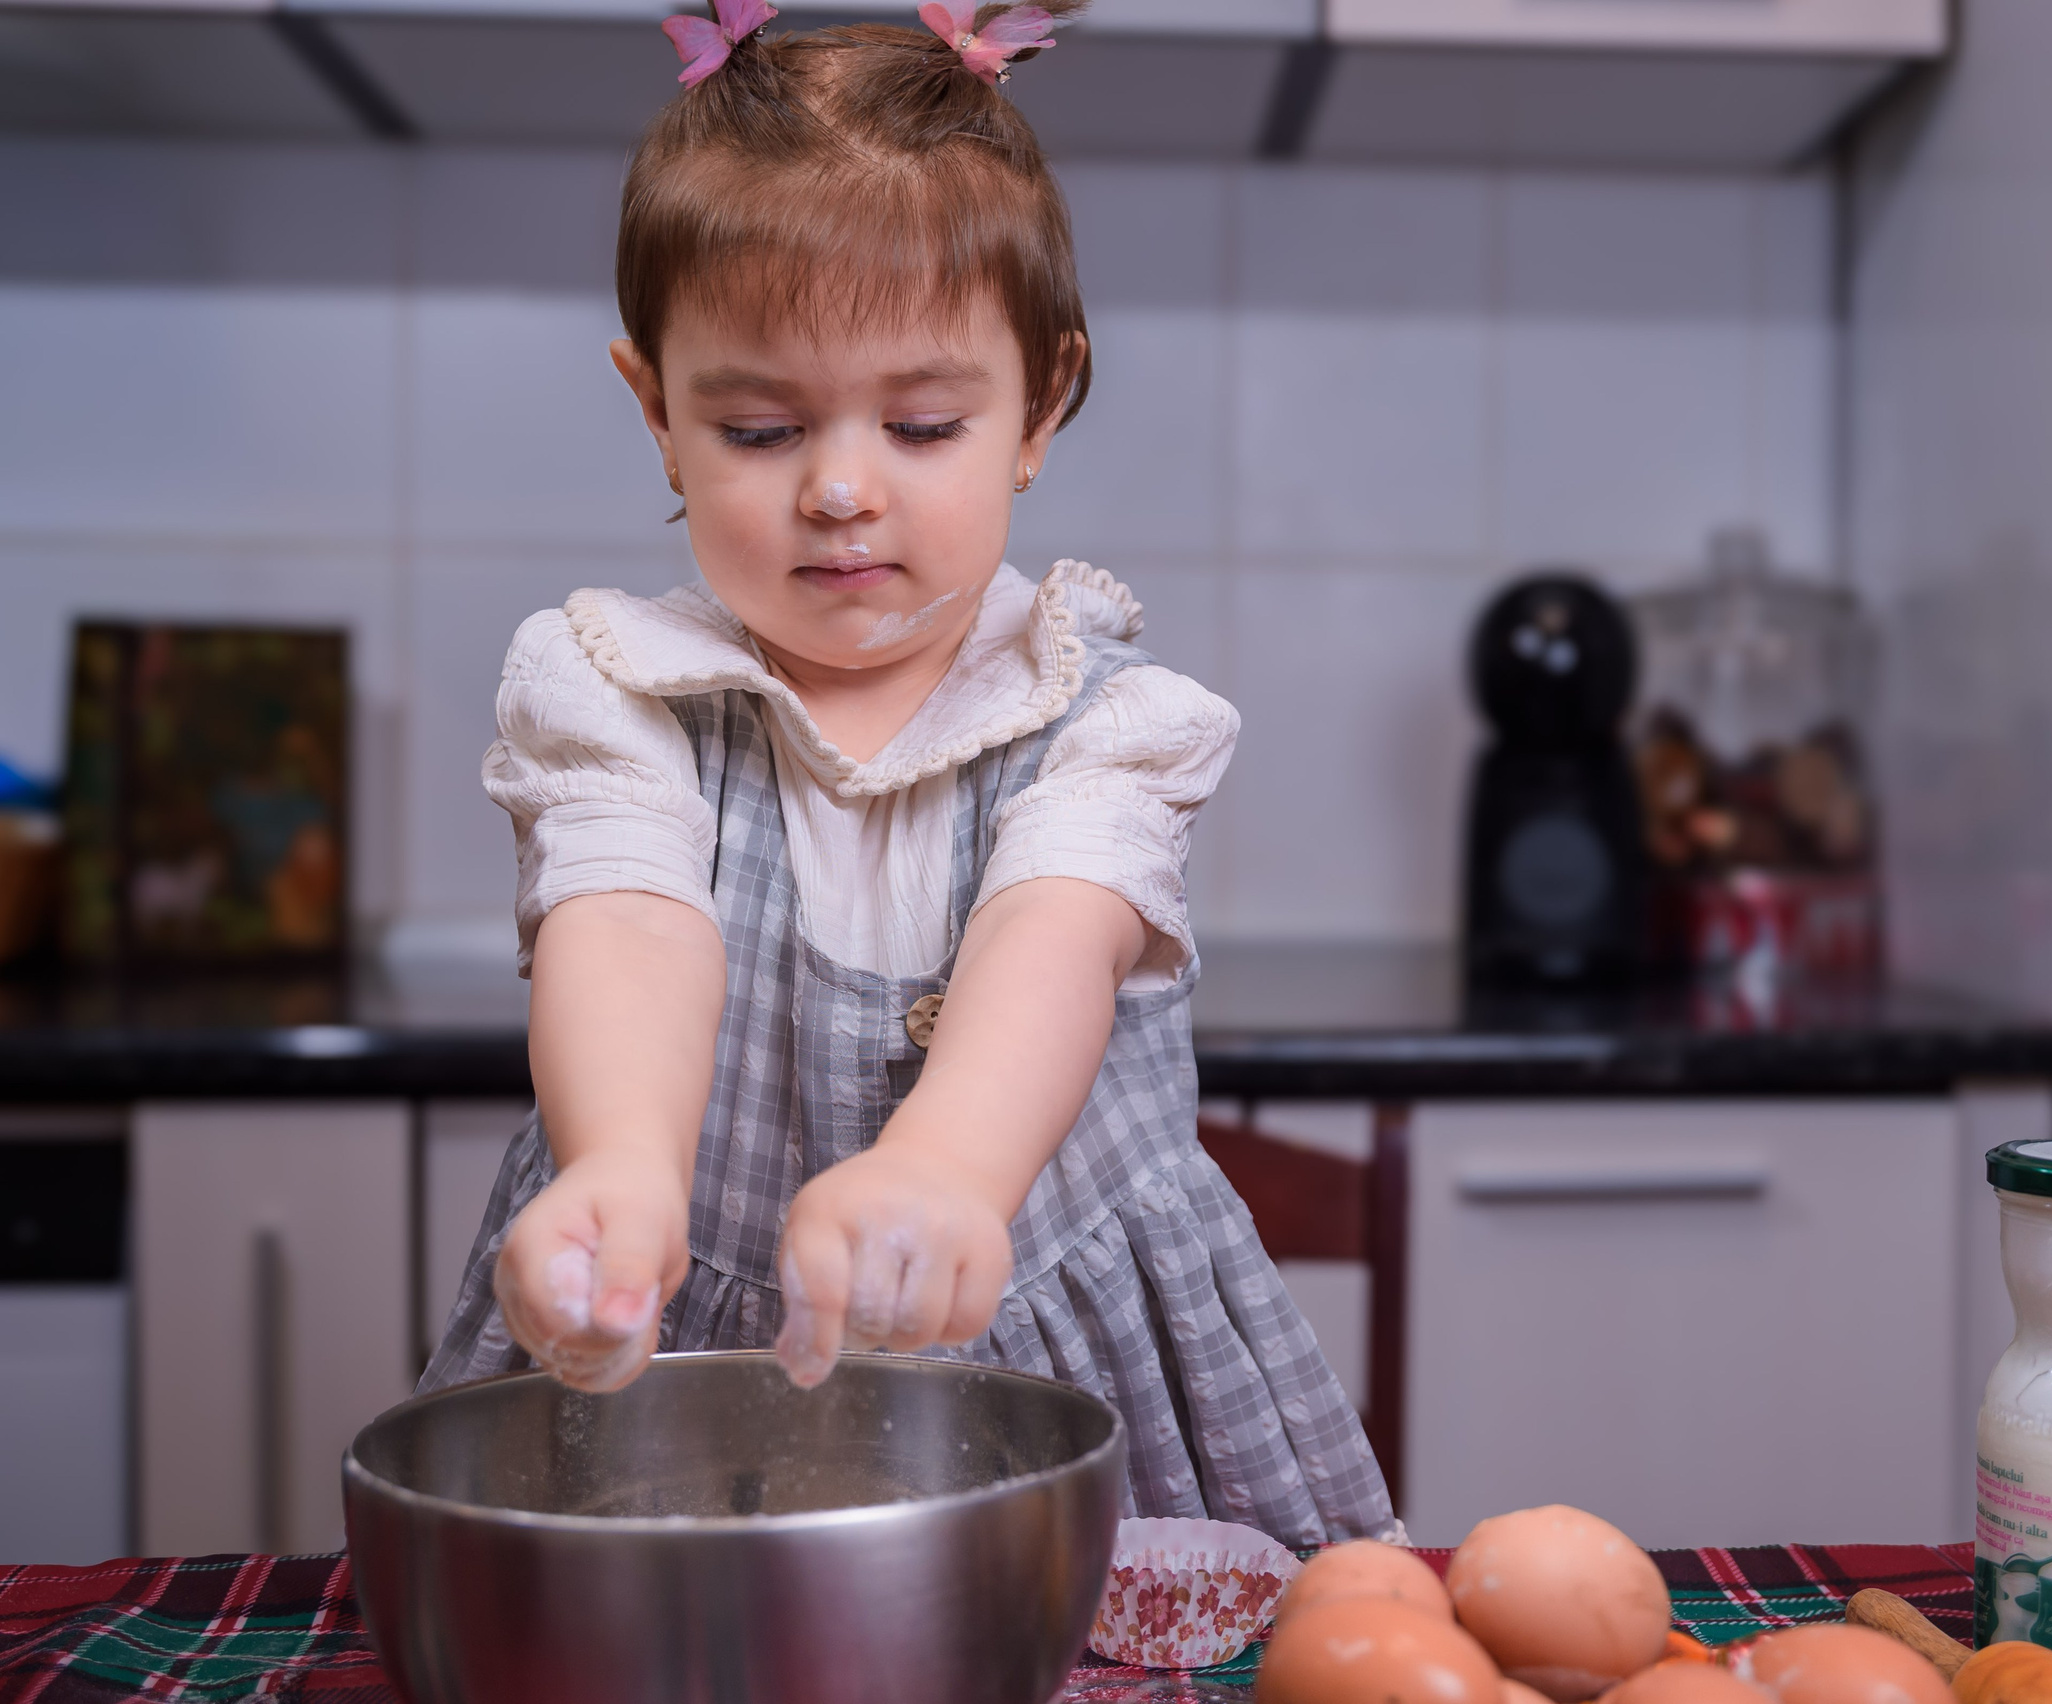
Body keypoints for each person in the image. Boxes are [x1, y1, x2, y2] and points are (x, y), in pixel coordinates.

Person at [422, 0, 1394, 1546]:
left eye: (925, 420)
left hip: (1065, 1373)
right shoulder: (618, 693)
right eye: (756, 425)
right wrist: (619, 1166)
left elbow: (1051, 935)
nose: (841, 489)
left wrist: (945, 1172)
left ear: (1042, 406)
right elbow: (629, 921)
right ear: (655, 412)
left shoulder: (1097, 714)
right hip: (696, 1363)